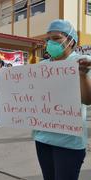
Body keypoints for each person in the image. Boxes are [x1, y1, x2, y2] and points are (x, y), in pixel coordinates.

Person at [33, 19, 91, 180]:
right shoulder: (42, 65)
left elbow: (88, 100)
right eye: (48, 39)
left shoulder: (82, 62)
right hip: (43, 138)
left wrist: (82, 75)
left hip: (69, 142)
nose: (50, 43)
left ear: (71, 41)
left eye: (56, 38)